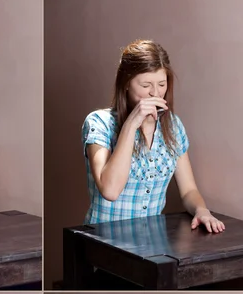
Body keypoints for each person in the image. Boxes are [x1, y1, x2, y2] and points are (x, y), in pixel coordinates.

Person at [82, 39, 224, 234]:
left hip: (151, 246)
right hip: (103, 243)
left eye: (162, 84)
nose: (155, 93)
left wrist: (202, 210)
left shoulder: (173, 126)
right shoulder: (99, 123)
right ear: (125, 84)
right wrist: (132, 124)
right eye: (146, 85)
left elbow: (189, 190)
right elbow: (110, 190)